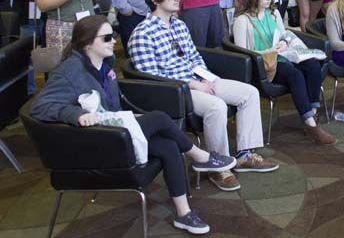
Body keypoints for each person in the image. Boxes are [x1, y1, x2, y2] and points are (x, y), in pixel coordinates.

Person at [30, 15, 234, 235]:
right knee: (159, 118)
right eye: (107, 38)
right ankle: (200, 156)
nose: (114, 41)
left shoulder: (104, 64)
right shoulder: (70, 70)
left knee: (168, 146)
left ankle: (184, 213)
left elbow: (113, 104)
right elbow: (40, 107)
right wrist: (75, 113)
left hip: (114, 130)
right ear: (88, 42)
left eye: (113, 35)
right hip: (97, 139)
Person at [129, 0, 277, 190]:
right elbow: (149, 77)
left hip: (199, 80)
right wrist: (191, 83)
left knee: (250, 92)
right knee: (216, 106)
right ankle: (218, 165)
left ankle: (244, 154)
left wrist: (208, 79)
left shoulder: (179, 25)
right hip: (175, 92)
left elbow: (195, 58)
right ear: (155, 0)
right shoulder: (142, 34)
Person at [233, 0, 336, 145]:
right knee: (295, 75)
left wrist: (283, 43)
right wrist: (268, 51)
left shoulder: (273, 13)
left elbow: (284, 35)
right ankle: (311, 125)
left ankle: (313, 112)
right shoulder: (242, 20)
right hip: (264, 63)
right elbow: (242, 52)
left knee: (312, 65)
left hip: (283, 55)